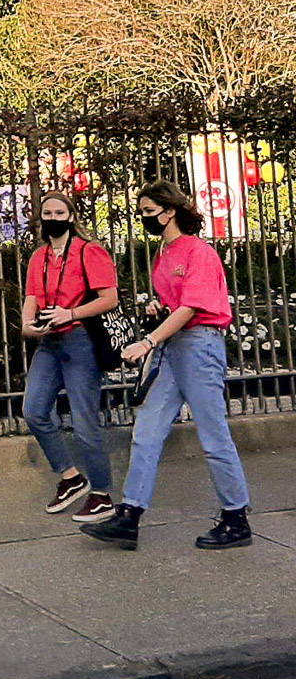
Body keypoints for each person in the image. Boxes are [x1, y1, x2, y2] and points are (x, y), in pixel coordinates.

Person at [82, 180, 252, 552]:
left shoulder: (198, 252)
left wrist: (148, 340)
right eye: (141, 212)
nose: (144, 218)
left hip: (198, 345)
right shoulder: (164, 253)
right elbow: (177, 305)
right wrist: (158, 312)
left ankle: (236, 516)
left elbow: (193, 307)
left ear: (169, 210)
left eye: (148, 212)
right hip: (173, 347)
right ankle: (129, 516)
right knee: (146, 430)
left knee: (212, 434)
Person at [22, 191, 120, 524]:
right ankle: (70, 476)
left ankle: (102, 493)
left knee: (84, 420)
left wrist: (71, 313)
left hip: (79, 338)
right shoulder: (39, 257)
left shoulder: (89, 252)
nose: (52, 217)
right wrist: (27, 325)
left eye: (58, 212)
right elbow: (32, 297)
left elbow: (110, 298)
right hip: (49, 340)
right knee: (34, 410)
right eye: (46, 212)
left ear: (71, 216)